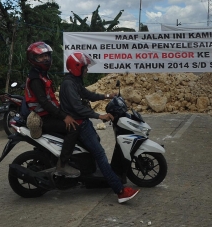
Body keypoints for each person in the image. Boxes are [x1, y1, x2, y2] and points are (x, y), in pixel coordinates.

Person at [59, 51, 140, 204]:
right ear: (77, 68)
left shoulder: (74, 82)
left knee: (96, 142)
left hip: (82, 122)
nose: (87, 70)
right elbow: (78, 108)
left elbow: (88, 95)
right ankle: (120, 191)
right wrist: (99, 116)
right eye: (85, 67)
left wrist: (107, 96)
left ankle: (93, 174)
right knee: (100, 154)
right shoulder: (69, 84)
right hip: (80, 124)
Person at [24, 42, 80, 177]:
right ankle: (62, 165)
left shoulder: (43, 74)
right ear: (33, 59)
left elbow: (51, 100)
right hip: (44, 117)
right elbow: (44, 102)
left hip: (49, 114)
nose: (45, 59)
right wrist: (63, 116)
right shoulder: (36, 78)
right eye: (40, 57)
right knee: (74, 128)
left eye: (46, 56)